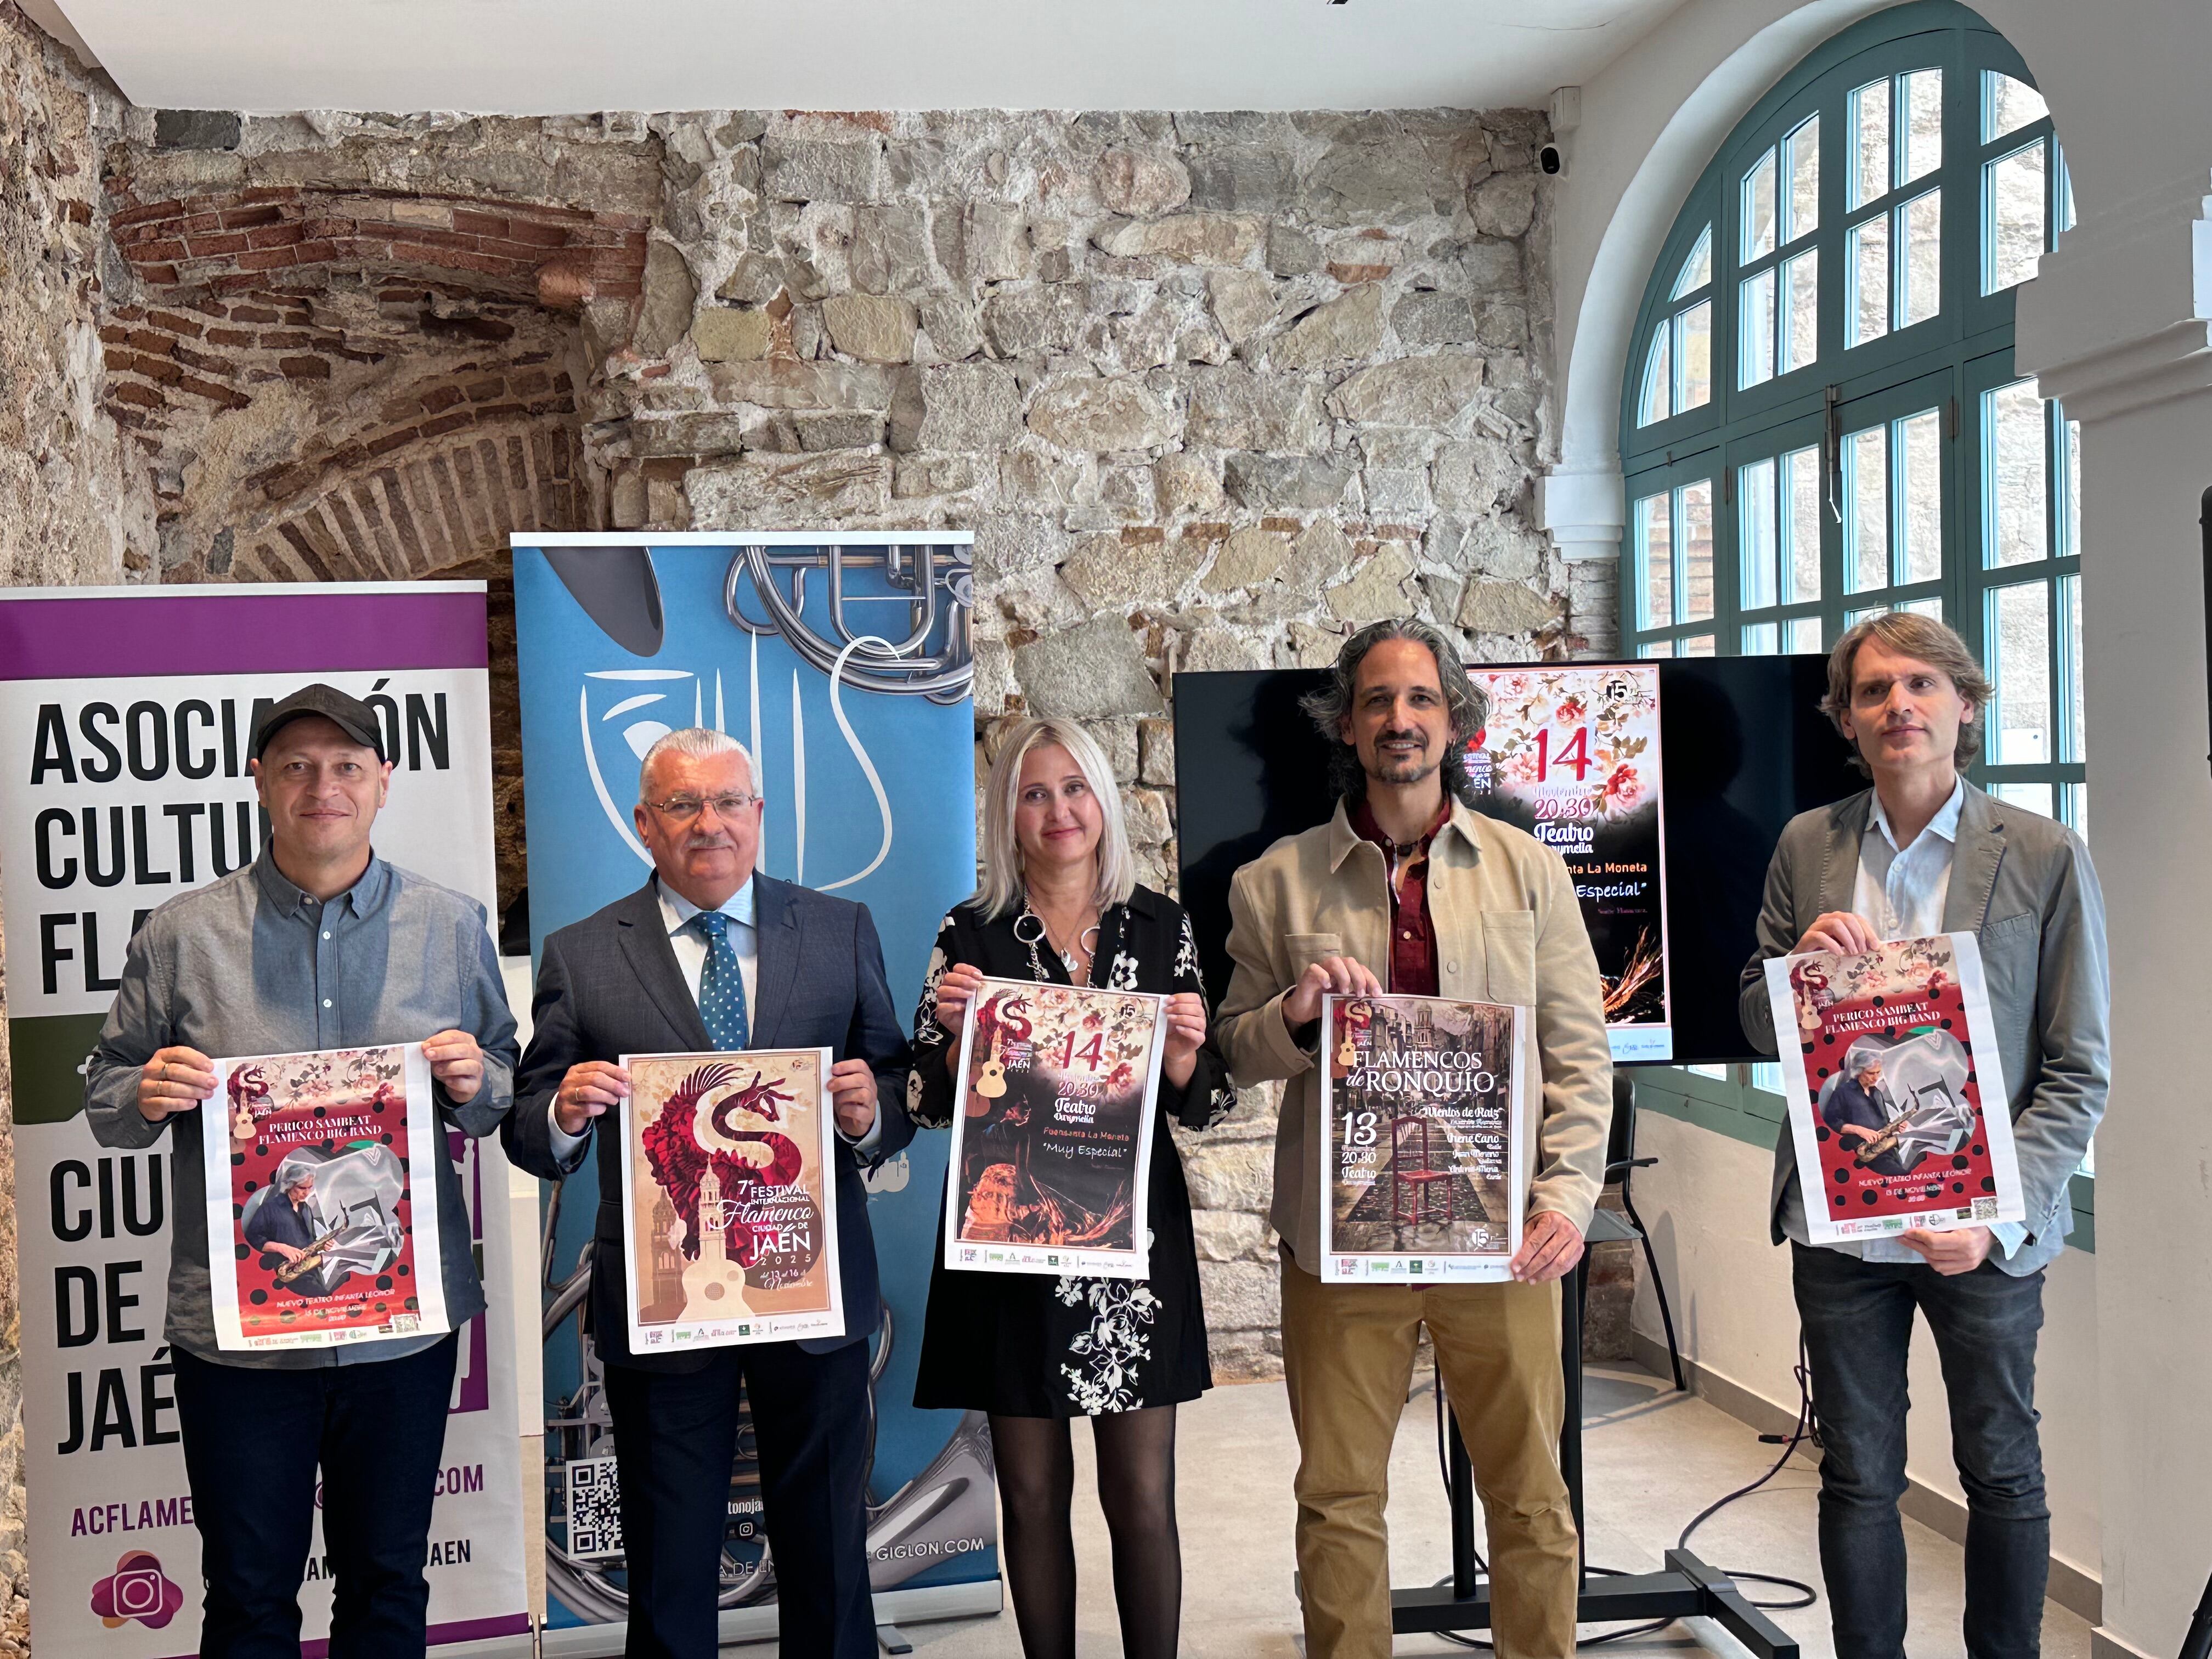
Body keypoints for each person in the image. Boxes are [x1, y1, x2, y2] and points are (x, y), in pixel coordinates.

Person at [83, 682, 518, 1659]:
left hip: (400, 1335)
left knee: (388, 1585)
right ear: (260, 782)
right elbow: (107, 1091)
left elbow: (502, 1083)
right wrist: (144, 1090)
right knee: (247, 1598)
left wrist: (473, 1079)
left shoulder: (451, 925)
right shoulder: (181, 934)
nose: (324, 786)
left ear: (383, 782)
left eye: (346, 766)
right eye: (297, 767)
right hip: (239, 1344)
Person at [1215, 618, 1615, 1659]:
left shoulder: (1530, 873)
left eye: (1422, 698)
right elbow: (1233, 1051)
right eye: (1379, 700)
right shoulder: (1273, 881)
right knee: (1339, 1496)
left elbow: (1579, 1056)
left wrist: (1566, 1198)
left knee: (1532, 1495)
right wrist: (1296, 1013)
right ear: (1346, 724)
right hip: (1342, 1243)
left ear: (1454, 721)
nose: (1401, 718)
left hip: (1501, 1239)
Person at [1739, 611, 2109, 1659]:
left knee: (2001, 1469)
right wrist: (1798, 973)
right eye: (1871, 690)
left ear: (1964, 705)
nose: (1896, 703)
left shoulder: (2042, 853)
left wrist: (1996, 1216)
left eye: (1919, 683)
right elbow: (1758, 1022)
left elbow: (2077, 1068)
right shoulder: (1805, 845)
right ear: (1845, 720)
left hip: (1981, 1235)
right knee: (1857, 1471)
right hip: (1841, 1230)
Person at [504, 726, 912, 1659]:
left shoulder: (840, 929)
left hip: (810, 1292)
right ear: (644, 823)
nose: (709, 823)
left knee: (829, 1557)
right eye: (682, 804)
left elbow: (896, 1088)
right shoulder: (581, 953)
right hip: (664, 1301)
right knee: (669, 1564)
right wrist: (563, 1111)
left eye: (728, 801)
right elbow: (529, 1126)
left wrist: (867, 1114)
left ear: (758, 815)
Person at [909, 717, 1234, 1659]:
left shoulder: (1161, 925)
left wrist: (1184, 1053)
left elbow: (1210, 1101)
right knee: (1031, 1492)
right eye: (1034, 792)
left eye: (1075, 787)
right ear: (1007, 813)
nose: (1058, 809)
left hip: (1130, 1246)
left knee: (1141, 1495)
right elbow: (921, 1099)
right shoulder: (968, 934)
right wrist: (953, 1040)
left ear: (1103, 801)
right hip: (1008, 1245)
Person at [1825, 1056, 1907, 1175]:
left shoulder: (1877, 1093)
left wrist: (1896, 1127)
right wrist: (1859, 1130)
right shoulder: (1843, 1092)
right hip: (1864, 1152)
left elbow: (1884, 1122)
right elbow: (1831, 1121)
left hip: (1887, 1150)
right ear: (1858, 1072)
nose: (1876, 1078)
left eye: (1878, 1073)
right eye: (1871, 1073)